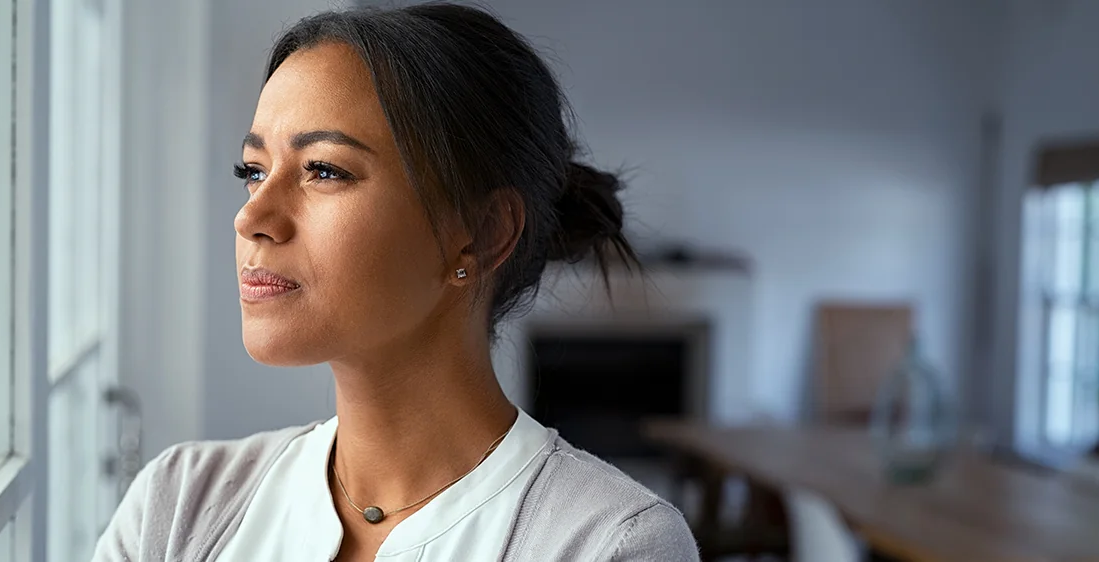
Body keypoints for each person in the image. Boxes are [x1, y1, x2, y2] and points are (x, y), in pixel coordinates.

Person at [93, 3, 699, 561]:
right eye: (253, 170)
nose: (251, 217)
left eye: (323, 170)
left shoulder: (608, 544)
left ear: (482, 232)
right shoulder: (177, 506)